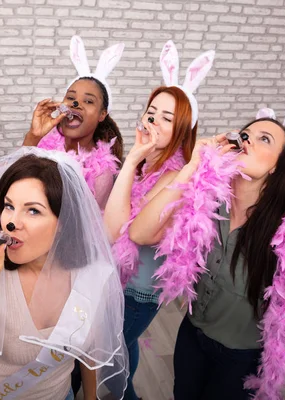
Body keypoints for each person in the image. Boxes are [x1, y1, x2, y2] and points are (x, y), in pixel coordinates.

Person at [149, 91, 285, 400]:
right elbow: (140, 232)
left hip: (241, 360)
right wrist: (192, 165)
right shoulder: (203, 204)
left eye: (264, 139)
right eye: (245, 134)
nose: (247, 139)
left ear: (277, 168)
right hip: (191, 337)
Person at [0, 147, 128, 400]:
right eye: (8, 206)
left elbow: (92, 352)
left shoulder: (93, 276)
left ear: (64, 220)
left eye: (33, 210)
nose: (12, 223)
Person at [104, 40, 214, 400]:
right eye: (152, 111)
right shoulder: (148, 165)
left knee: (112, 352)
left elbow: (133, 231)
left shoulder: (176, 177)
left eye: (168, 118)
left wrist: (139, 158)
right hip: (119, 280)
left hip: (139, 292)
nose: (154, 120)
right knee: (121, 346)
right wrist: (135, 158)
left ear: (184, 130)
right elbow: (111, 228)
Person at [23, 35, 124, 209]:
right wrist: (34, 136)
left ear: (102, 114)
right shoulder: (42, 145)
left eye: (89, 101)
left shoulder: (101, 173)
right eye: (71, 98)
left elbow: (77, 225)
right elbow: (11, 182)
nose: (76, 104)